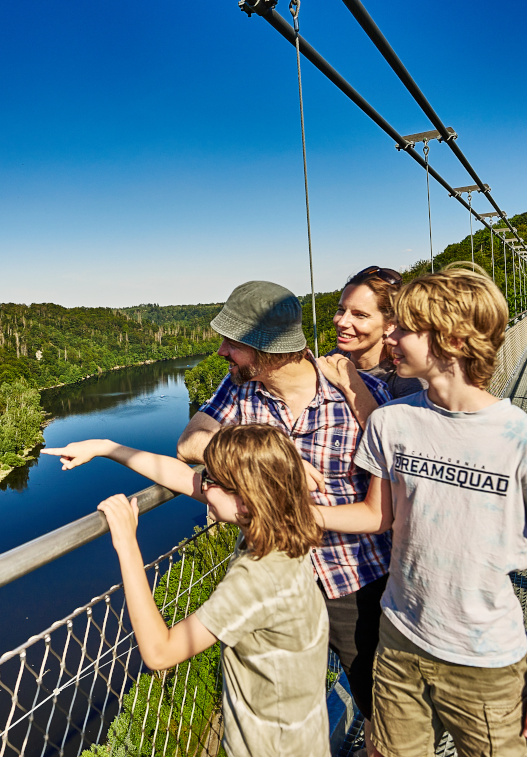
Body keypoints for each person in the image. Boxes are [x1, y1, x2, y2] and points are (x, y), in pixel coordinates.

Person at [313, 265, 527, 757]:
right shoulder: (391, 422)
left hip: (485, 660)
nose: (391, 335)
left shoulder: (526, 439)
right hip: (398, 640)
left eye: (406, 328)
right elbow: (377, 517)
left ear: (452, 340)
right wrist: (292, 514)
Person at [177, 280, 392, 736]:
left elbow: (395, 478)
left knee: (381, 715)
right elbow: (189, 442)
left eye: (231, 344)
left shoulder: (361, 395)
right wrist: (263, 451)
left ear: (268, 349)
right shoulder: (239, 389)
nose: (221, 353)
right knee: (278, 721)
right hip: (274, 578)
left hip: (354, 580)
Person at [42, 425, 330, 757]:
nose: (202, 485)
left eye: (211, 481)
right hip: (303, 735)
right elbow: (180, 475)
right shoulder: (284, 526)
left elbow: (159, 653)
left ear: (247, 500)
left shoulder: (258, 577)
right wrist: (106, 447)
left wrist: (126, 545)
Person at [328, 266, 425, 399]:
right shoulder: (335, 358)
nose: (342, 322)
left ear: (390, 325)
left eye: (360, 315)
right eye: (341, 309)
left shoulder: (407, 381)